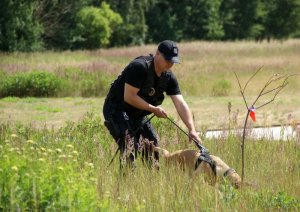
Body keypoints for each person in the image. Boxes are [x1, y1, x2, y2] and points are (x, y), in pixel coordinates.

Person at [103, 40, 201, 168]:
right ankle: (125, 184)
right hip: (116, 110)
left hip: (137, 114)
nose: (170, 64)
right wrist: (153, 109)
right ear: (158, 54)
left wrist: (191, 129)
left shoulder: (168, 78)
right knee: (129, 146)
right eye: (167, 60)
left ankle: (152, 181)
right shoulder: (139, 67)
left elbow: (180, 103)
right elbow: (129, 97)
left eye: (173, 61)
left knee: (152, 147)